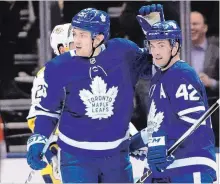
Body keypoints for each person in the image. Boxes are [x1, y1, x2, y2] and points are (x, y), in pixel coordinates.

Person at [25, 6, 160, 183]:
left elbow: (157, 68)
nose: (76, 41)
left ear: (99, 38)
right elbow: (47, 111)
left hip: (116, 156)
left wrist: (157, 36)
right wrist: (40, 139)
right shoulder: (57, 67)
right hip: (75, 156)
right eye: (75, 35)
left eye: (82, 35)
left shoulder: (123, 52)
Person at [130, 9, 217, 183]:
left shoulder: (181, 73)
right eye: (152, 45)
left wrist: (162, 143)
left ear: (175, 46)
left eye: (161, 45)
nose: (155, 51)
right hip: (164, 168)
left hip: (189, 165)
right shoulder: (159, 78)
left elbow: (194, 121)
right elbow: (161, 124)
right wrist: (135, 142)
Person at [27, 23, 74, 184]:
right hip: (59, 153)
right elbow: (37, 119)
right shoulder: (47, 75)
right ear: (62, 49)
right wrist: (51, 151)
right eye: (75, 43)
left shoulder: (95, 70)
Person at [190, 11, 219, 147]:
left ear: (205, 28)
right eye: (188, 24)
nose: (191, 27)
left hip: (214, 111)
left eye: (195, 24)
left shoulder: (217, 50)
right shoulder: (177, 51)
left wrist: (211, 82)